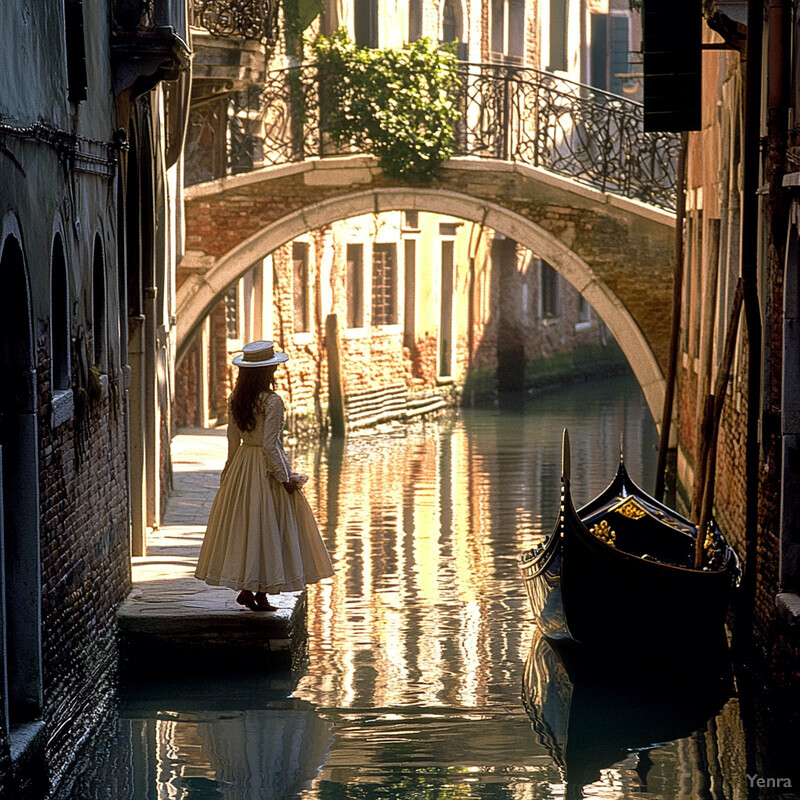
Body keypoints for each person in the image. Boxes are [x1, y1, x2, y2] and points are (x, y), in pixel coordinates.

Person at [195, 340, 334, 611]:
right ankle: (257, 593)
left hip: (242, 466)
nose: (275, 373)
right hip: (264, 469)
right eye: (273, 369)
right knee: (267, 528)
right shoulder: (273, 401)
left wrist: (229, 475)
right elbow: (271, 446)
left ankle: (251, 591)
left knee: (249, 527)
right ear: (265, 372)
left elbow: (233, 443)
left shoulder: (236, 400)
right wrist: (285, 478)